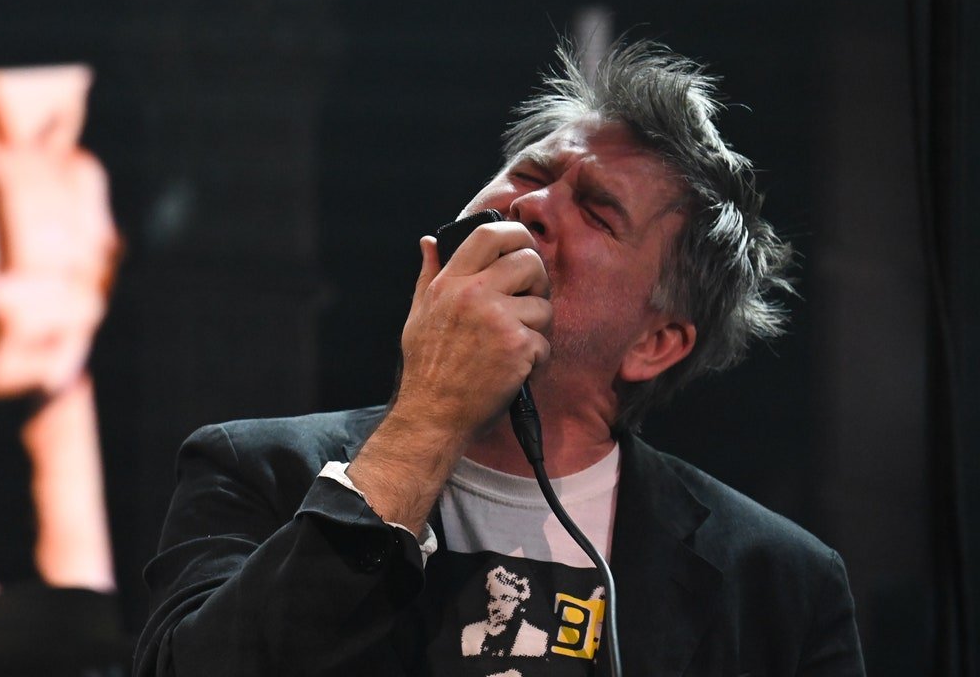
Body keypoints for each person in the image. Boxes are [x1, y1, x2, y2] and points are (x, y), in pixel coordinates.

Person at [134, 39, 866, 676]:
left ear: (654, 344)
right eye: (529, 172)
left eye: (597, 211)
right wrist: (428, 418)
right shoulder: (253, 470)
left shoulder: (779, 583)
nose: (531, 205)